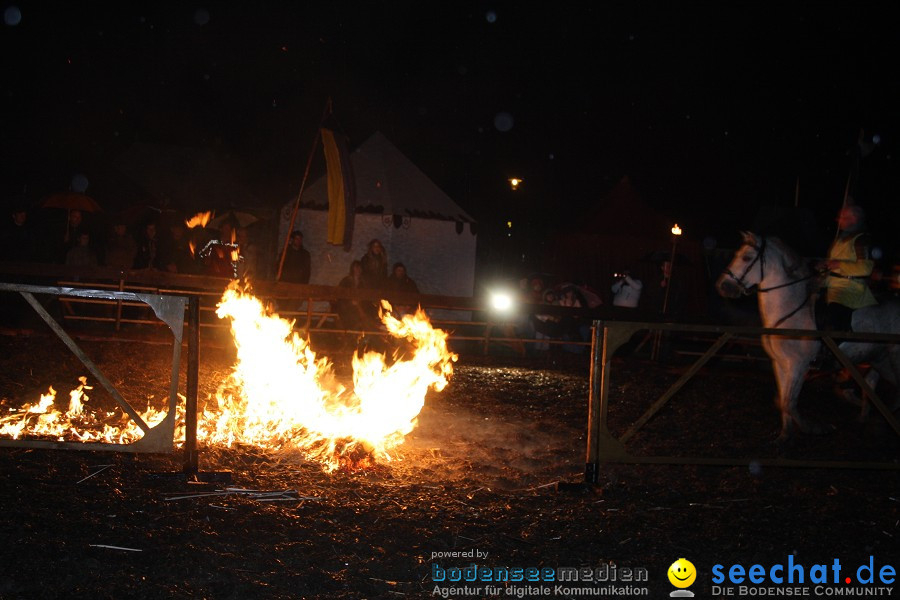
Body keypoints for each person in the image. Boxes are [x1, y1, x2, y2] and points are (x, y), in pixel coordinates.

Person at [820, 204, 877, 331]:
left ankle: (838, 345)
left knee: (834, 316)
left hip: (849, 290)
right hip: (831, 286)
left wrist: (839, 264)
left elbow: (866, 268)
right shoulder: (840, 240)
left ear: (853, 219)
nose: (837, 220)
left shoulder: (861, 240)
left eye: (842, 217)